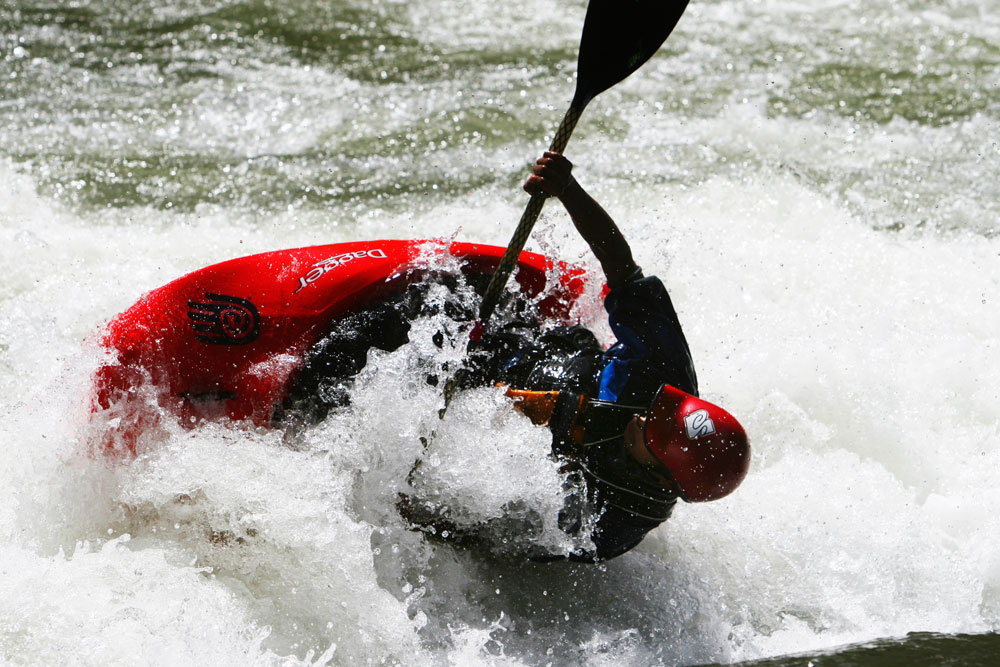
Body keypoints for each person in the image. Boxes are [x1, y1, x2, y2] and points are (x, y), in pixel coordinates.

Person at [284, 152, 751, 562]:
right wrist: (568, 190)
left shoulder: (600, 523)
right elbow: (623, 269)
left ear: (658, 469)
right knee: (440, 300)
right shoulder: (665, 376)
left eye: (652, 428)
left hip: (484, 429)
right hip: (528, 348)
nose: (648, 413)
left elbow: (476, 533)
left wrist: (405, 510)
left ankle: (295, 412)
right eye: (662, 410)